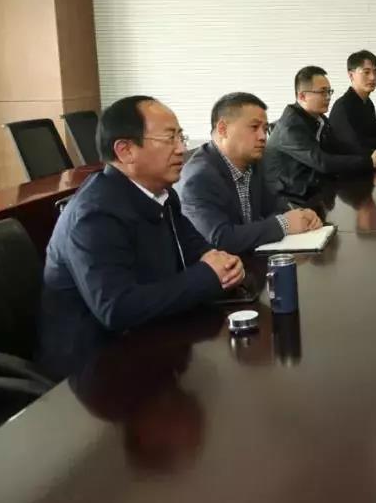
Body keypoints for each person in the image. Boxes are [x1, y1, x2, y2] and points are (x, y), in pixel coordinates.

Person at [40, 96, 245, 377]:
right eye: (169, 138)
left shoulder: (161, 194)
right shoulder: (95, 215)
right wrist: (210, 275)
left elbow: (195, 247)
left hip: (151, 340)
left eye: (181, 137)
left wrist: (224, 263)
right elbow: (117, 308)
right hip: (93, 367)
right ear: (125, 151)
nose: (181, 149)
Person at [176, 92, 322, 255]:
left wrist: (300, 215)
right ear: (223, 129)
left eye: (265, 129)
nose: (263, 137)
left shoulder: (254, 161)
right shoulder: (199, 177)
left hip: (251, 259)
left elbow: (275, 207)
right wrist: (284, 224)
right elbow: (220, 239)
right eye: (254, 127)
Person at [263, 66, 376, 207]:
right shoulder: (290, 127)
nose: (328, 97)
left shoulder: (318, 118)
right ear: (302, 96)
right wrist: (369, 162)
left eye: (329, 91)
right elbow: (323, 162)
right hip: (289, 201)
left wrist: (372, 155)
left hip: (313, 189)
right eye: (322, 92)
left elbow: (339, 147)